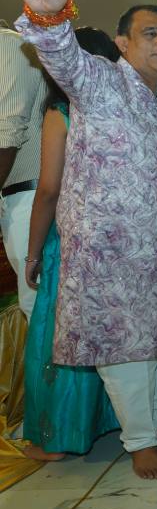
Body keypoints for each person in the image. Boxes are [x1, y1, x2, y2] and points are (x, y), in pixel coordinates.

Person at [13, 0, 157, 480]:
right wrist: (51, 14)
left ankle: (155, 419)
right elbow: (61, 55)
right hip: (107, 253)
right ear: (122, 43)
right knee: (123, 347)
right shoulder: (99, 81)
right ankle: (139, 440)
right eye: (149, 34)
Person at [21, 28, 120, 461]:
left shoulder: (61, 112)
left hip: (74, 237)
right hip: (117, 235)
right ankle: (114, 418)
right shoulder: (122, 108)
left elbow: (48, 190)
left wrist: (32, 252)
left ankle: (58, 437)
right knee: (111, 328)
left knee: (62, 333)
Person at [0, 24, 47, 323]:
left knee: (39, 308)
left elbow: (7, 133)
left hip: (32, 197)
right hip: (15, 196)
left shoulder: (8, 46)